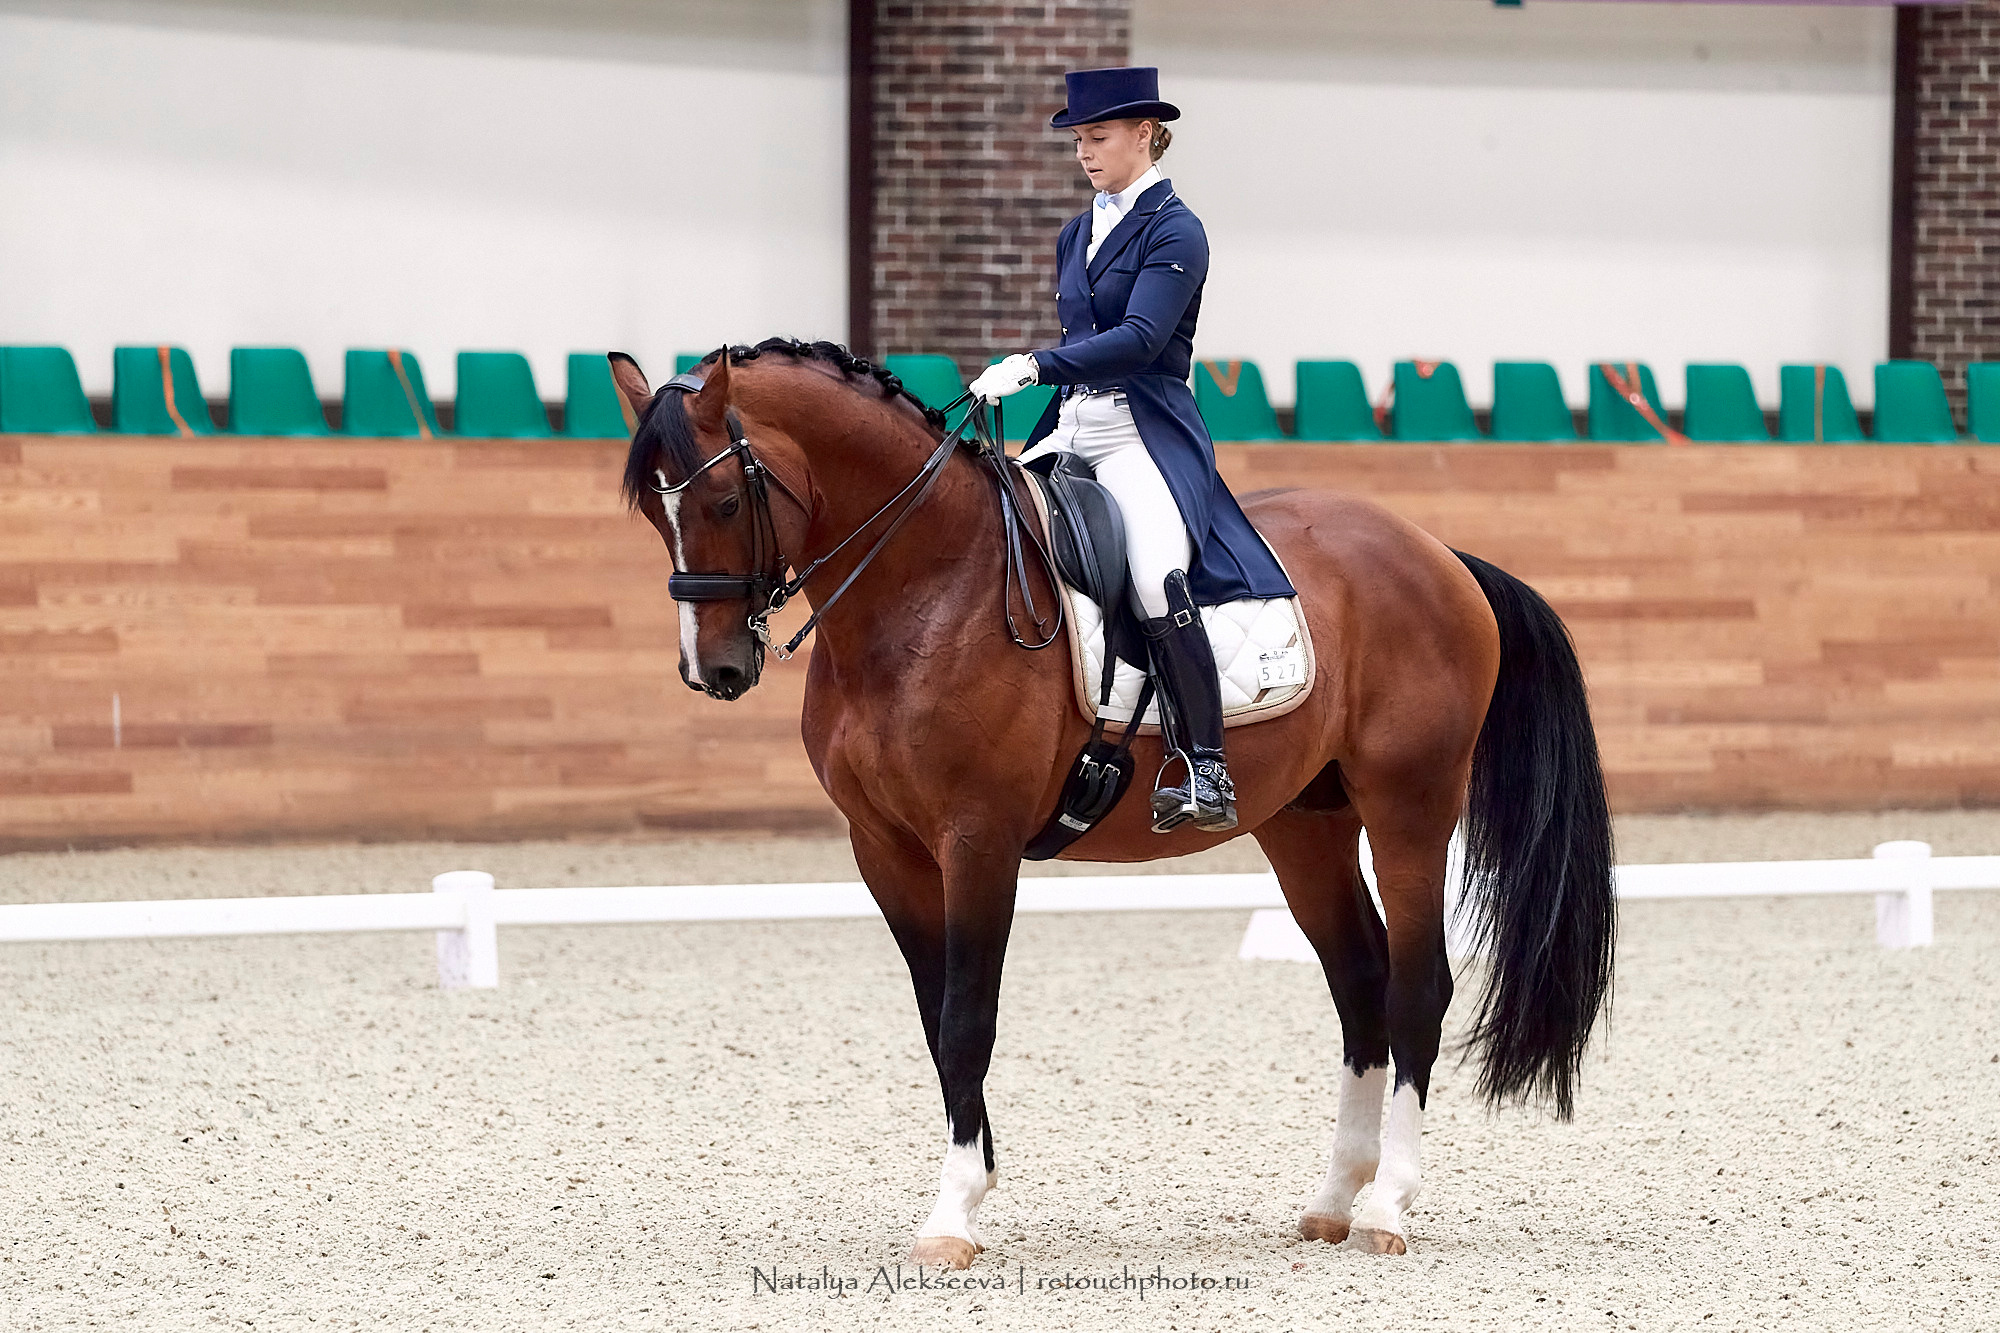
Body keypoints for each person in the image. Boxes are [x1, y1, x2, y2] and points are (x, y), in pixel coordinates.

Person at [969, 65, 1296, 835]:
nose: (1085, 152)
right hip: (1069, 424)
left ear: (1144, 134)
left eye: (1098, 137)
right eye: (1079, 139)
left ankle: (1206, 764)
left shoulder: (1176, 229)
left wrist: (1035, 363)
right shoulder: (1077, 230)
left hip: (1141, 429)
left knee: (1153, 575)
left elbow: (1143, 339)